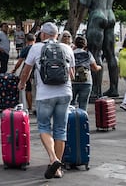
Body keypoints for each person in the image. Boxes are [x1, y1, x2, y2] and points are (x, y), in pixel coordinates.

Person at [19, 22, 74, 179]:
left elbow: (26, 70)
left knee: (44, 126)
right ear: (56, 35)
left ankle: (53, 158)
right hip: (65, 93)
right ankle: (57, 169)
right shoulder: (67, 48)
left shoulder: (36, 48)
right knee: (60, 129)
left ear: (42, 34)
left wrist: (22, 84)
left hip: (45, 95)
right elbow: (72, 74)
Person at [78, 0, 119, 98]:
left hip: (97, 14)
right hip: (110, 14)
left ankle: (96, 91)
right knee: (111, 55)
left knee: (95, 55)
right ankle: (114, 89)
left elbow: (86, 2)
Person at [71, 36, 102, 111]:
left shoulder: (71, 53)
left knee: (70, 105)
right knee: (83, 105)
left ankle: (70, 121)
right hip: (86, 81)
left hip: (73, 81)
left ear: (75, 43)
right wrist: (99, 67)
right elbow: (95, 68)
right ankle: (83, 121)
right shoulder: (88, 54)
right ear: (85, 44)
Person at [12, 33, 35, 112]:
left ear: (26, 40)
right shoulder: (37, 47)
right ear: (34, 40)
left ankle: (30, 107)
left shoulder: (25, 49)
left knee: (28, 89)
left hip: (28, 69)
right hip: (38, 70)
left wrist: (14, 69)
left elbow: (19, 62)